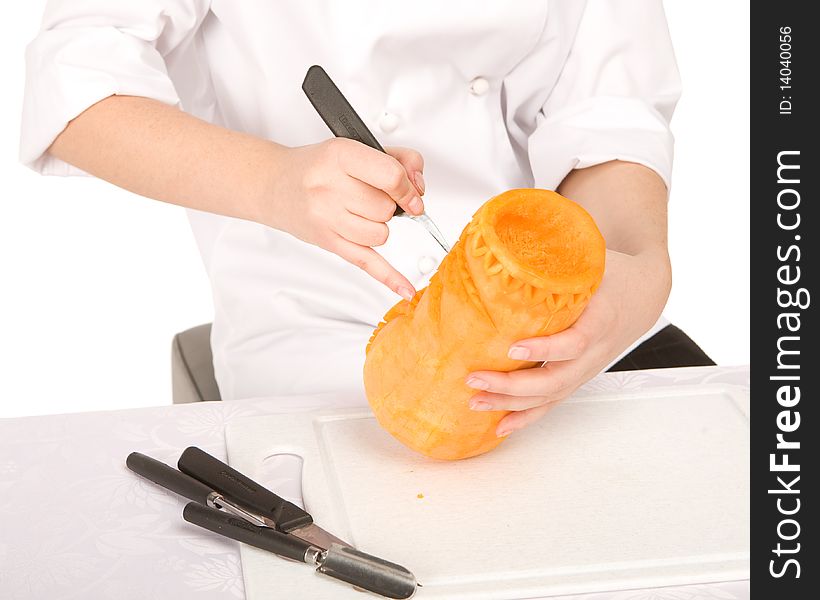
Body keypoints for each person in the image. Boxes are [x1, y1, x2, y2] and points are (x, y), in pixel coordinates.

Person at [21, 0, 712, 437]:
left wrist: (637, 270)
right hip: (312, 323)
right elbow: (76, 92)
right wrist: (274, 181)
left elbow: (608, 112)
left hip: (541, 331)